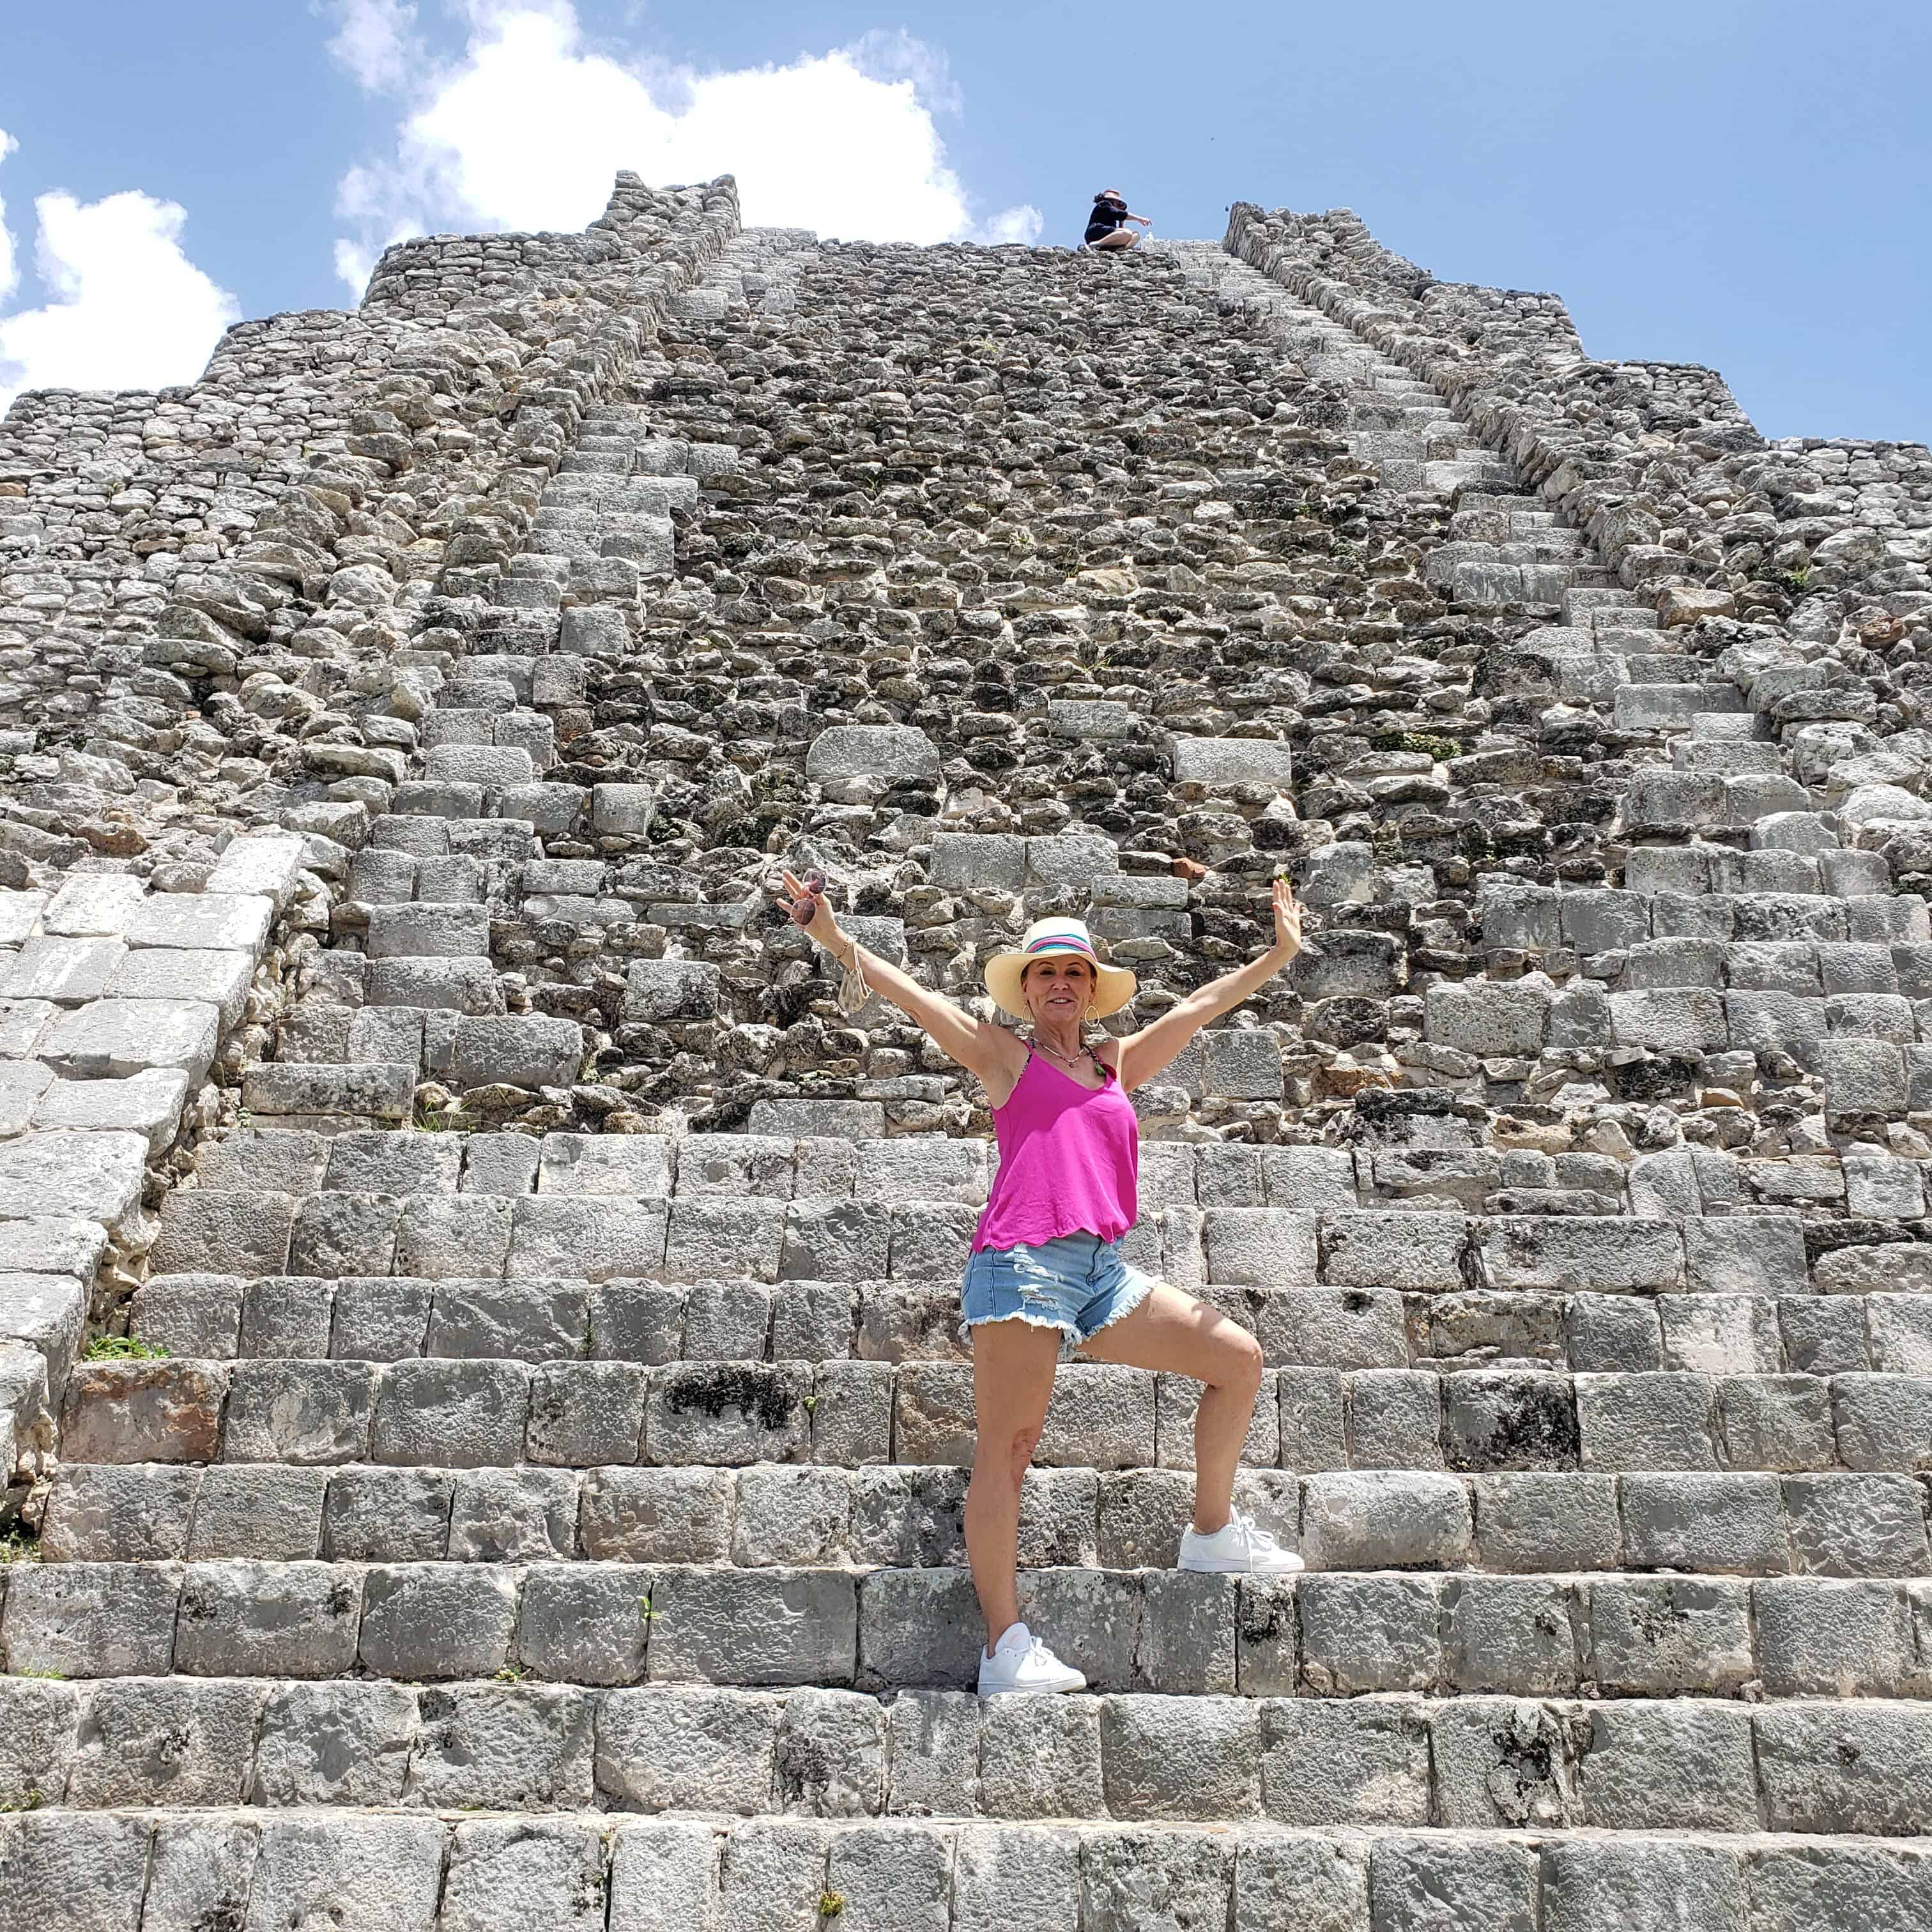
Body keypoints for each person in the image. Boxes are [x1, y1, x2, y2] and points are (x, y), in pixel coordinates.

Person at [776, 868, 1307, 1696]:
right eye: (1047, 971)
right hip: (1019, 1263)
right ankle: (1005, 1647)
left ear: (1093, 991)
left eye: (1075, 973)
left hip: (1099, 1271)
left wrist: (1278, 956)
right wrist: (835, 940)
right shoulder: (1004, 1057)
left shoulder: (1115, 1063)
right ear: (1026, 989)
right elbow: (920, 1002)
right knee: (1010, 1450)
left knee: (1236, 1360)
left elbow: (1199, 1009)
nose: (1061, 983)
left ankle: (1210, 1532)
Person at [1084, 188, 1151, 250]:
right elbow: (1120, 214)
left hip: (1107, 237)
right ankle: (1096, 245)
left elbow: (1119, 233)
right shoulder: (1104, 204)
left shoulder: (1112, 216)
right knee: (1127, 233)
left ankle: (1122, 249)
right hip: (1096, 232)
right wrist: (1140, 219)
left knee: (1136, 235)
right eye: (1116, 201)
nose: (1117, 203)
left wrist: (1121, 221)